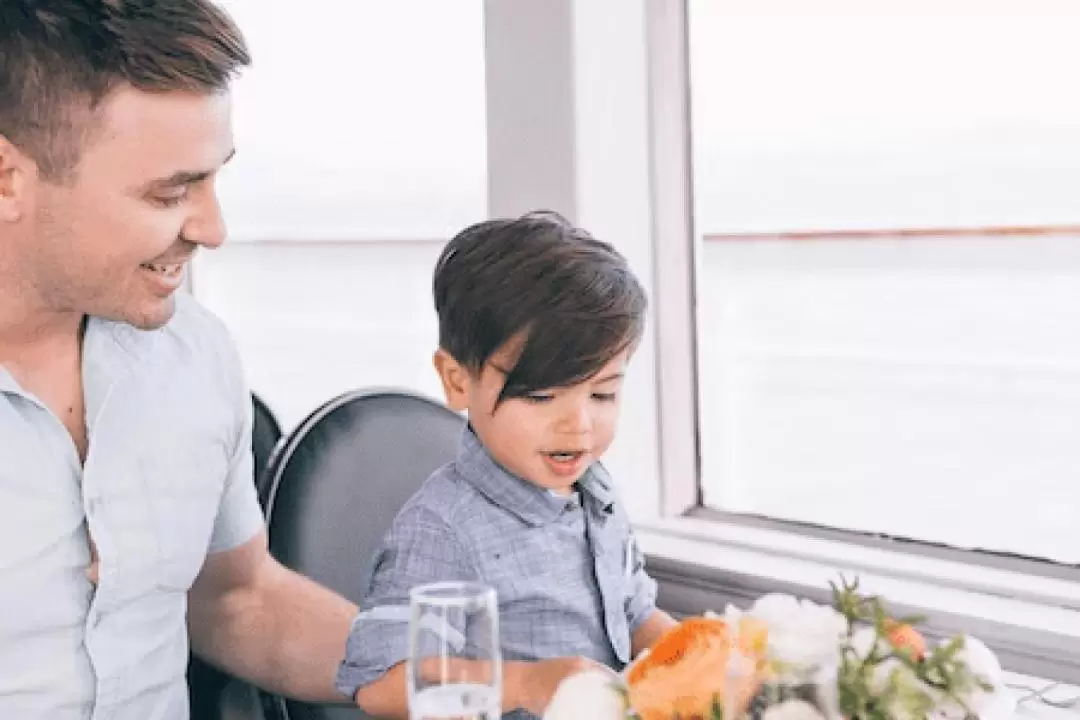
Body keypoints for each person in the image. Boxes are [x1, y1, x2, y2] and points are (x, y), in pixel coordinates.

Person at [0, 1, 357, 717]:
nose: (213, 228)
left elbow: (235, 598)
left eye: (214, 178)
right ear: (8, 179)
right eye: (171, 191)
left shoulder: (194, 355)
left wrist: (472, 669)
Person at [336, 211, 678, 719]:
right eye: (540, 396)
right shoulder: (443, 529)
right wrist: (524, 683)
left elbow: (634, 615)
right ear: (457, 380)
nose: (579, 425)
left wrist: (708, 656)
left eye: (603, 393)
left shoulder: (596, 494)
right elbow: (379, 682)